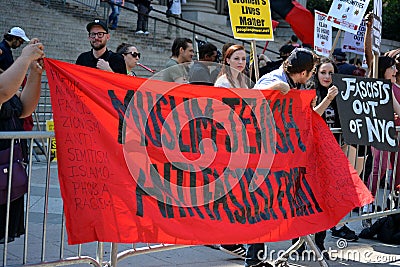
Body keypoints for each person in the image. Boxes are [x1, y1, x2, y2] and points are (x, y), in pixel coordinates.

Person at [243, 48, 317, 267]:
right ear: (303, 72)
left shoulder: (298, 84)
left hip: (278, 156)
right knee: (260, 208)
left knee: (269, 209)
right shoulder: (275, 78)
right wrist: (279, 88)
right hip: (260, 155)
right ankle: (252, 261)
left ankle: (258, 259)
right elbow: (255, 99)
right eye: (312, 71)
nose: (312, 75)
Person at [0, 41, 45, 243]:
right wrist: (25, 58)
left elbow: (24, 108)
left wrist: (35, 72)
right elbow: (3, 92)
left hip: (7, 169)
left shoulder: (5, 79)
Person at [213, 44, 248, 259]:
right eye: (236, 58)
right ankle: (227, 239)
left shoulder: (242, 81)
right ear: (227, 60)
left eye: (244, 58)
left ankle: (232, 236)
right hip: (225, 142)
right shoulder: (223, 83)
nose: (241, 62)